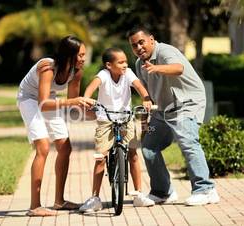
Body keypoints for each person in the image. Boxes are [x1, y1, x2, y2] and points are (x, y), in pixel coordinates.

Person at [127, 26, 220, 206]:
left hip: (186, 103)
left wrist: (157, 68)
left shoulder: (166, 51)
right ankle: (163, 192)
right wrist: (147, 121)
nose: (138, 47)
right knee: (148, 147)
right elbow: (149, 96)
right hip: (163, 109)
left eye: (141, 42)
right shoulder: (139, 64)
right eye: (134, 45)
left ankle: (206, 190)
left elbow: (178, 68)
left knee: (188, 142)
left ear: (151, 40)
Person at [17, 35, 95, 217]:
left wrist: (97, 115)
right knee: (43, 147)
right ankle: (35, 206)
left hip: (49, 99)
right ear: (69, 55)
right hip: (29, 99)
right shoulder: (48, 67)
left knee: (65, 147)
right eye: (81, 55)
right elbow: (43, 102)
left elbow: (73, 104)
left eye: (84, 55)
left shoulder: (77, 72)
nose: (83, 59)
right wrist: (74, 100)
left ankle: (59, 201)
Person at [79, 47, 155, 212]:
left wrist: (146, 98)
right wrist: (86, 98)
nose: (125, 65)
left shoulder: (128, 74)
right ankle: (95, 198)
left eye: (126, 61)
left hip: (126, 118)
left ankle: (138, 195)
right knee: (100, 158)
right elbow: (92, 87)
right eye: (120, 62)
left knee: (133, 154)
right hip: (106, 119)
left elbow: (139, 87)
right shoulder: (103, 75)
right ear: (108, 65)